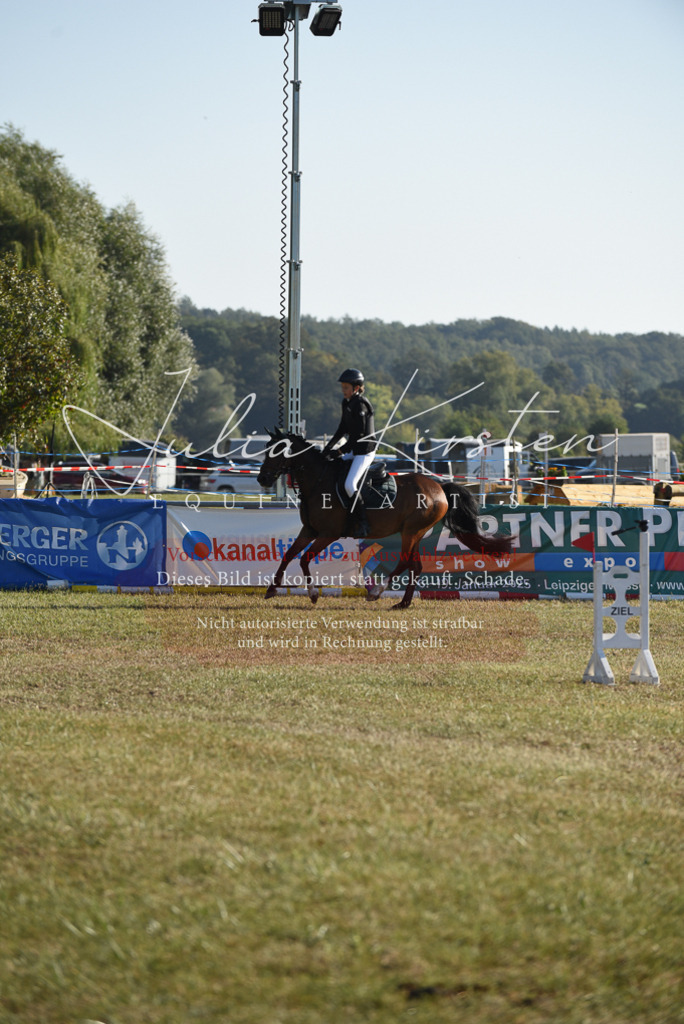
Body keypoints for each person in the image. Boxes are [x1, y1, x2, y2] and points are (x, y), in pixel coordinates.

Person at [322, 368, 376, 537]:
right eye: (343, 387)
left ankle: (364, 523)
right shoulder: (346, 403)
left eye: (346, 387)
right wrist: (328, 448)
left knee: (349, 485)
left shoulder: (360, 405)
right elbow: (342, 429)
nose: (343, 390)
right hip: (355, 449)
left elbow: (357, 437)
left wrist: (338, 452)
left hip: (365, 451)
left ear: (357, 388)